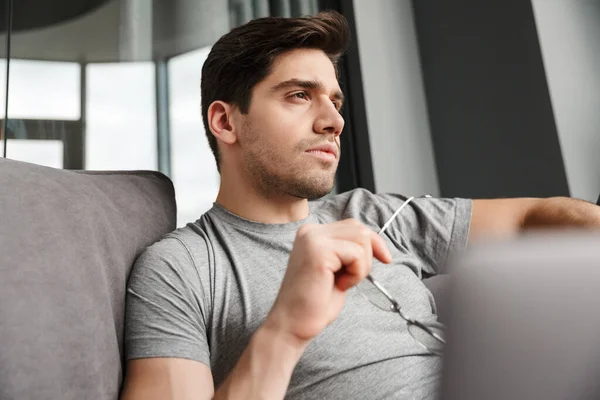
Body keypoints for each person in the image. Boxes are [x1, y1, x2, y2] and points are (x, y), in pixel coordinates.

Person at [120, 11, 600, 400]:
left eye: (335, 101)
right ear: (226, 122)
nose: (333, 121)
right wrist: (284, 329)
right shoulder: (179, 268)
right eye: (299, 96)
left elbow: (531, 218)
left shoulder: (370, 213)